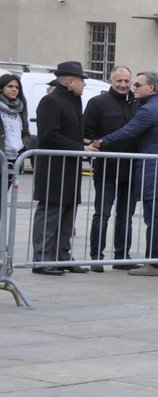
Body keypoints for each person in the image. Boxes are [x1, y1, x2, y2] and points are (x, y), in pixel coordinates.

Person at [93, 72, 158, 276]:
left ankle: (153, 265)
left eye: (138, 84)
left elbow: (127, 132)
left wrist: (100, 142)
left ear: (151, 88)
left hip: (153, 170)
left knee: (153, 218)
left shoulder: (147, 110)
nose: (134, 87)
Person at [31, 61, 89, 273]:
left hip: (70, 167)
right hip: (54, 168)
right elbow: (49, 135)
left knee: (68, 213)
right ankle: (42, 259)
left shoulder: (74, 101)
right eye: (82, 80)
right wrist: (79, 148)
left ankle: (62, 256)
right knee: (50, 213)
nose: (84, 85)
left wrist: (84, 145)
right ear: (70, 80)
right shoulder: (51, 101)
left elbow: (70, 134)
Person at [82, 66, 138, 271]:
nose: (123, 85)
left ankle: (122, 256)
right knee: (102, 214)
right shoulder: (97, 103)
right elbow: (86, 133)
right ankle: (96, 256)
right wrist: (95, 150)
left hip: (131, 170)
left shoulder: (137, 104)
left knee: (126, 215)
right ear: (110, 81)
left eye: (127, 81)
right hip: (106, 169)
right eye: (119, 81)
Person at [0, 72, 30, 171]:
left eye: (17, 87)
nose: (14, 89)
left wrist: (23, 149)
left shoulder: (21, 108)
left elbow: (25, 133)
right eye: (10, 86)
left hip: (14, 160)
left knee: (7, 186)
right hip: (2, 157)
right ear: (1, 88)